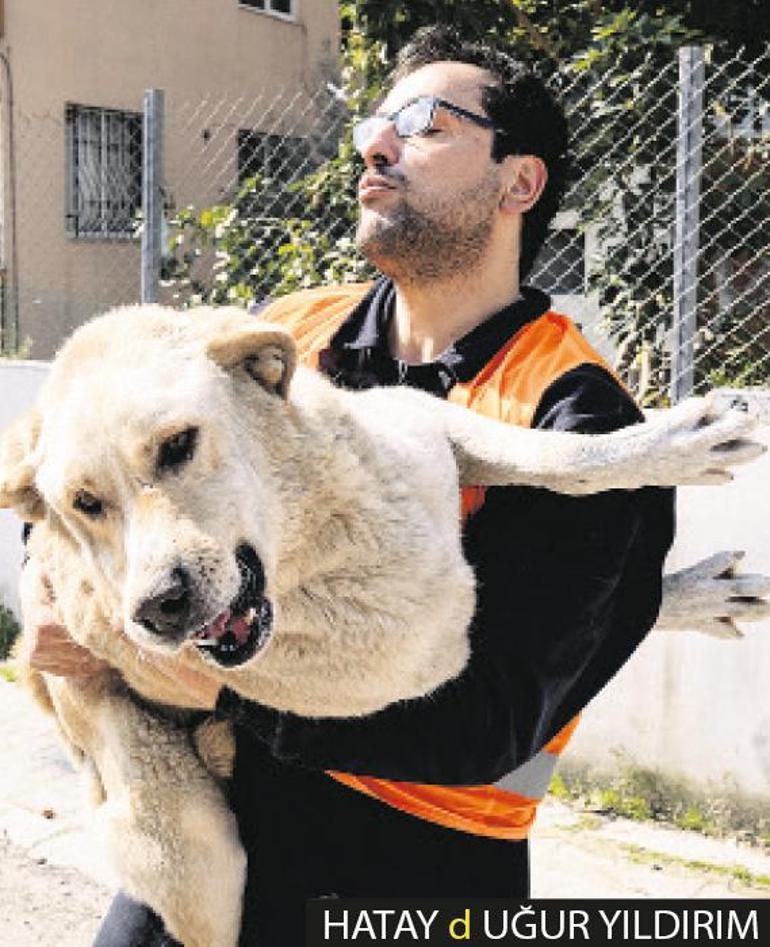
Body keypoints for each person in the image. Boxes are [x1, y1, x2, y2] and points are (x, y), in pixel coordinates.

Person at [22, 26, 675, 947]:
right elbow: (94, 457)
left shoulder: (575, 419)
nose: (376, 143)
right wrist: (54, 596)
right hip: (216, 810)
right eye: (375, 123)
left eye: (424, 124)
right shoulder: (286, 333)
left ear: (517, 183)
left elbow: (490, 718)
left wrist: (199, 680)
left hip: (420, 866)